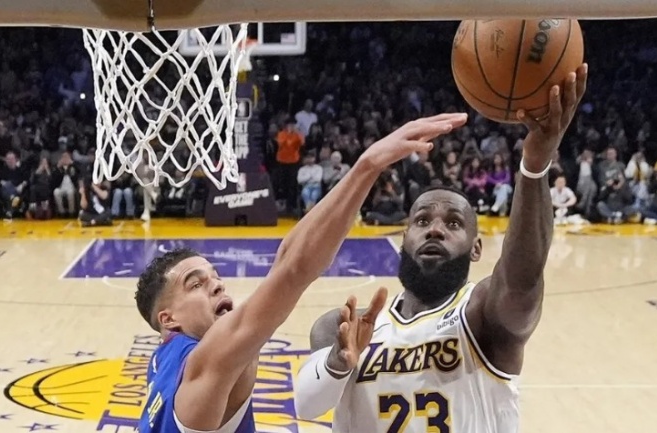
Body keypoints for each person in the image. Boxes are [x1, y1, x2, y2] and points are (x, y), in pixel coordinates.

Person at [294, 64, 588, 433]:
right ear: (404, 238)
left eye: (453, 223)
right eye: (421, 220)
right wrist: (338, 362)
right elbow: (307, 406)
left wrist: (535, 166)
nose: (434, 229)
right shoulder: (341, 327)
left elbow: (522, 279)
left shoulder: (484, 316)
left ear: (476, 249)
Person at [134, 113, 469, 433]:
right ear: (168, 320)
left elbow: (286, 259)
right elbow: (293, 270)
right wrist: (368, 166)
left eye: (214, 276)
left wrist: (364, 167)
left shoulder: (163, 361)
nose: (217, 285)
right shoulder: (207, 363)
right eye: (195, 284)